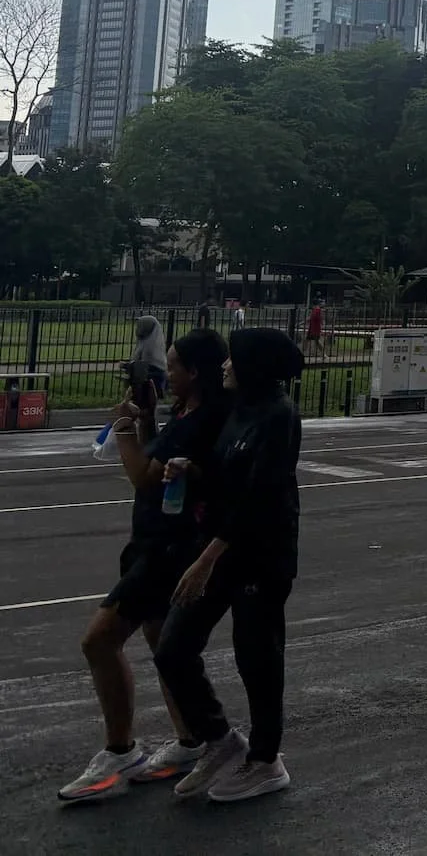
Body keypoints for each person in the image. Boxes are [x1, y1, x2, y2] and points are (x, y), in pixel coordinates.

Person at [57, 329, 230, 803]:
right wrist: (149, 420)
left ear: (195, 372)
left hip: (168, 549)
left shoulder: (207, 418)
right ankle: (190, 740)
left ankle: (120, 751)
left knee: (99, 640)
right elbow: (158, 459)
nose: (165, 374)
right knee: (161, 643)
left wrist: (127, 430)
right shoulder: (186, 411)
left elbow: (145, 477)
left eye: (173, 367)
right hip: (152, 539)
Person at [151, 326, 304, 803]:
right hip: (218, 546)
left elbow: (259, 497)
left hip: (259, 555)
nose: (224, 366)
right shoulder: (240, 409)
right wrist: (191, 470)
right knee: (173, 647)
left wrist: (206, 560)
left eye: (233, 359)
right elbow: (225, 474)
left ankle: (265, 759)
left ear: (253, 366)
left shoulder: (279, 417)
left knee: (256, 655)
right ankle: (219, 740)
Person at [126, 316, 169, 446]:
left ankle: (150, 440)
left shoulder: (152, 349)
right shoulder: (143, 343)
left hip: (150, 381)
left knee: (148, 413)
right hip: (144, 380)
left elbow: (148, 366)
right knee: (145, 414)